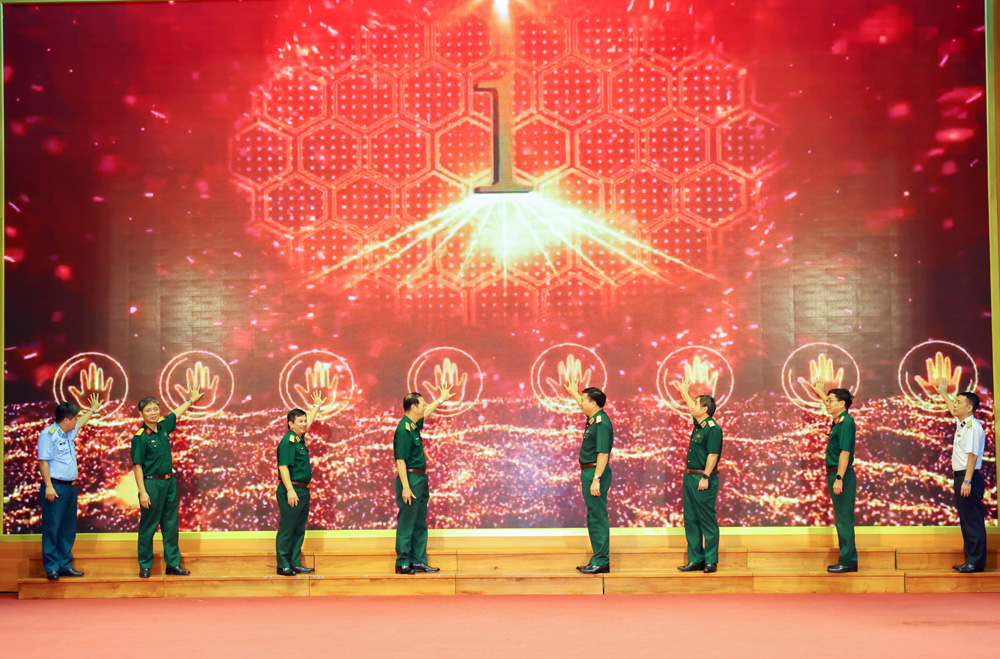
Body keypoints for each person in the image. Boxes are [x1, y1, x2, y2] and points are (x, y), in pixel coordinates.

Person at [130, 392, 203, 578]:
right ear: (141, 414)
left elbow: (176, 413)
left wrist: (191, 400)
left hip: (169, 483)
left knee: (171, 526)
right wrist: (142, 492)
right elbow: (137, 467)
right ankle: (145, 565)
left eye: (155, 409)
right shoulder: (140, 437)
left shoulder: (163, 426)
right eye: (148, 410)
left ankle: (173, 564)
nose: (153, 413)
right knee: (148, 527)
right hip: (151, 484)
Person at [37, 395, 101, 580]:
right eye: (74, 418)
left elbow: (80, 423)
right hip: (55, 487)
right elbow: (43, 461)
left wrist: (92, 410)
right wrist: (48, 486)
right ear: (66, 419)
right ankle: (51, 567)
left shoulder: (67, 433)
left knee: (67, 528)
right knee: (52, 527)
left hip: (71, 488)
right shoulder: (48, 435)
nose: (76, 421)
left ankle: (65, 565)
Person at [393, 387, 454, 574]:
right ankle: (403, 562)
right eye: (422, 404)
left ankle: (418, 560)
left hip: (420, 477)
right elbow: (401, 461)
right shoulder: (404, 430)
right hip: (410, 478)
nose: (425, 406)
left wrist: (440, 400)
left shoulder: (413, 425)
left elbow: (426, 412)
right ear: (412, 407)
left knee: (419, 520)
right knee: (407, 521)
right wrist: (406, 487)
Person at [935, 380, 987, 573]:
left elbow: (973, 455)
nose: (954, 405)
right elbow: (951, 409)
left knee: (972, 521)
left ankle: (975, 562)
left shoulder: (972, 426)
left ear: (969, 407)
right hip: (962, 477)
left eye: (958, 402)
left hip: (968, 477)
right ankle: (971, 560)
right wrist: (943, 394)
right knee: (966, 520)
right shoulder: (963, 422)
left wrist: (967, 480)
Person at [562, 380, 614, 574]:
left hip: (595, 472)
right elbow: (582, 405)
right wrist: (574, 393)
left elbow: (603, 454)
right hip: (590, 471)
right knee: (593, 516)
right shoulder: (594, 418)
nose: (581, 403)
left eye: (584, 400)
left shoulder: (601, 423)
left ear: (594, 403)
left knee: (597, 517)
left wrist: (596, 479)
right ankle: (598, 559)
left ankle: (602, 560)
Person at [275, 391, 325, 576]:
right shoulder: (288, 442)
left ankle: (295, 562)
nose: (304, 424)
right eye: (300, 421)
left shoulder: (298, 438)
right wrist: (290, 490)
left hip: (303, 491)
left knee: (298, 529)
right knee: (287, 529)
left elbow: (308, 422)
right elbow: (283, 467)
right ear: (290, 424)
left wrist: (316, 407)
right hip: (292, 490)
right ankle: (283, 564)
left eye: (305, 421)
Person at [676, 377, 723, 573]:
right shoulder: (700, 425)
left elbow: (713, 455)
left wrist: (705, 477)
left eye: (696, 404)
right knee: (691, 518)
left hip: (703, 477)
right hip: (690, 477)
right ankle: (696, 559)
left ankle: (710, 560)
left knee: (706, 519)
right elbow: (691, 408)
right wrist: (685, 393)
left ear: (705, 409)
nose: (692, 407)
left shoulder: (713, 429)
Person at [811, 381, 858, 573]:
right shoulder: (840, 419)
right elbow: (830, 406)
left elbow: (845, 452)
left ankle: (848, 561)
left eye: (831, 401)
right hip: (836, 474)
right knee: (841, 518)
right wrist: (821, 393)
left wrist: (839, 478)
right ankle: (847, 559)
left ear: (842, 403)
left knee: (844, 519)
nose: (827, 404)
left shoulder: (846, 423)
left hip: (841, 474)